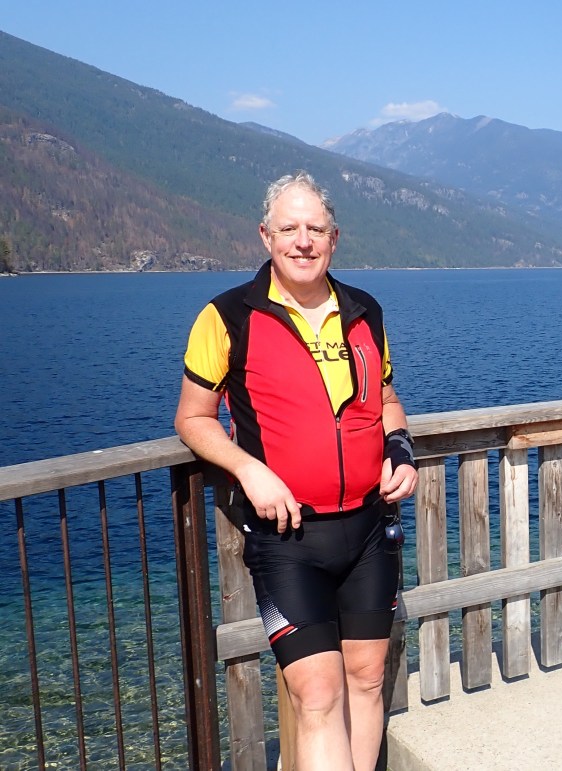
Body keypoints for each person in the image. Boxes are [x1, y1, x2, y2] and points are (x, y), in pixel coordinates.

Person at [174, 170, 418, 770]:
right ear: (265, 236)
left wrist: (400, 448)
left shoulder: (365, 312)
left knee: (367, 678)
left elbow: (386, 399)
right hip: (288, 538)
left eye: (315, 229)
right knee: (317, 695)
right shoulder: (227, 316)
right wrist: (247, 469)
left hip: (369, 529)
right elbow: (193, 418)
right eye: (289, 229)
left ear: (334, 238)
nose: (303, 241)